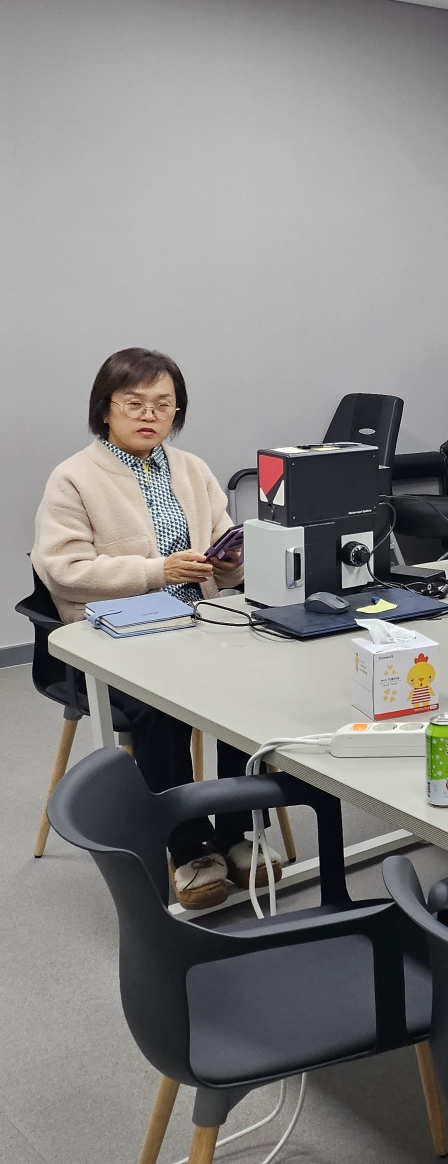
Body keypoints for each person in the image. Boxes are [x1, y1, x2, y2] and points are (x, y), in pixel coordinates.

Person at [33, 348, 267, 910]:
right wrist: (157, 571)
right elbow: (63, 570)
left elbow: (228, 557)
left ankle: (237, 832)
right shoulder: (74, 477)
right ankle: (189, 846)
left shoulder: (192, 469)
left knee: (252, 690)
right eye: (134, 403)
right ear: (105, 409)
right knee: (162, 707)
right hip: (116, 636)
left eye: (164, 405)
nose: (150, 415)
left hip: (200, 622)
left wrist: (230, 562)